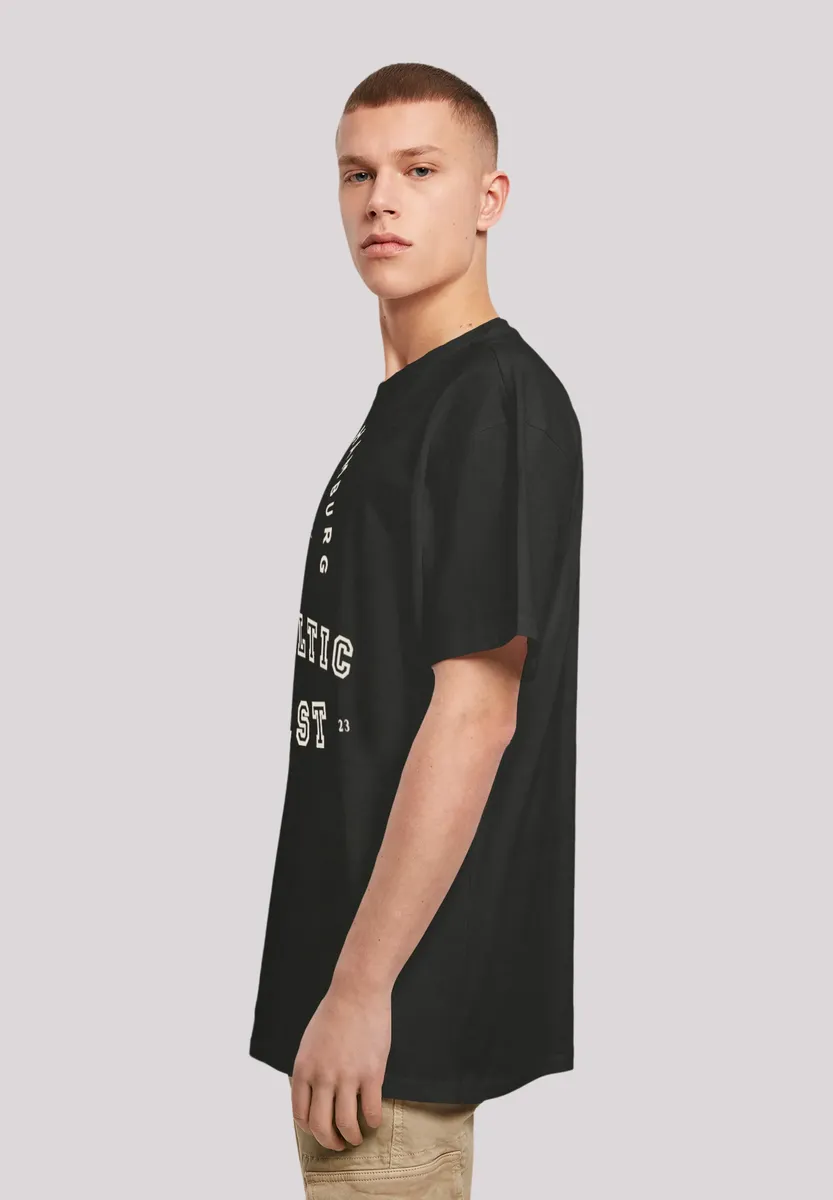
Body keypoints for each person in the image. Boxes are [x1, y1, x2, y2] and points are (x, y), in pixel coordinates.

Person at [249, 62, 583, 1198]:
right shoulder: (413, 403)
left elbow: (477, 711)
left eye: (419, 170)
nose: (379, 199)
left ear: (489, 199)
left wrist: (359, 989)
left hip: (394, 1019)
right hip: (355, 1011)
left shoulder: (492, 401)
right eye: (357, 174)